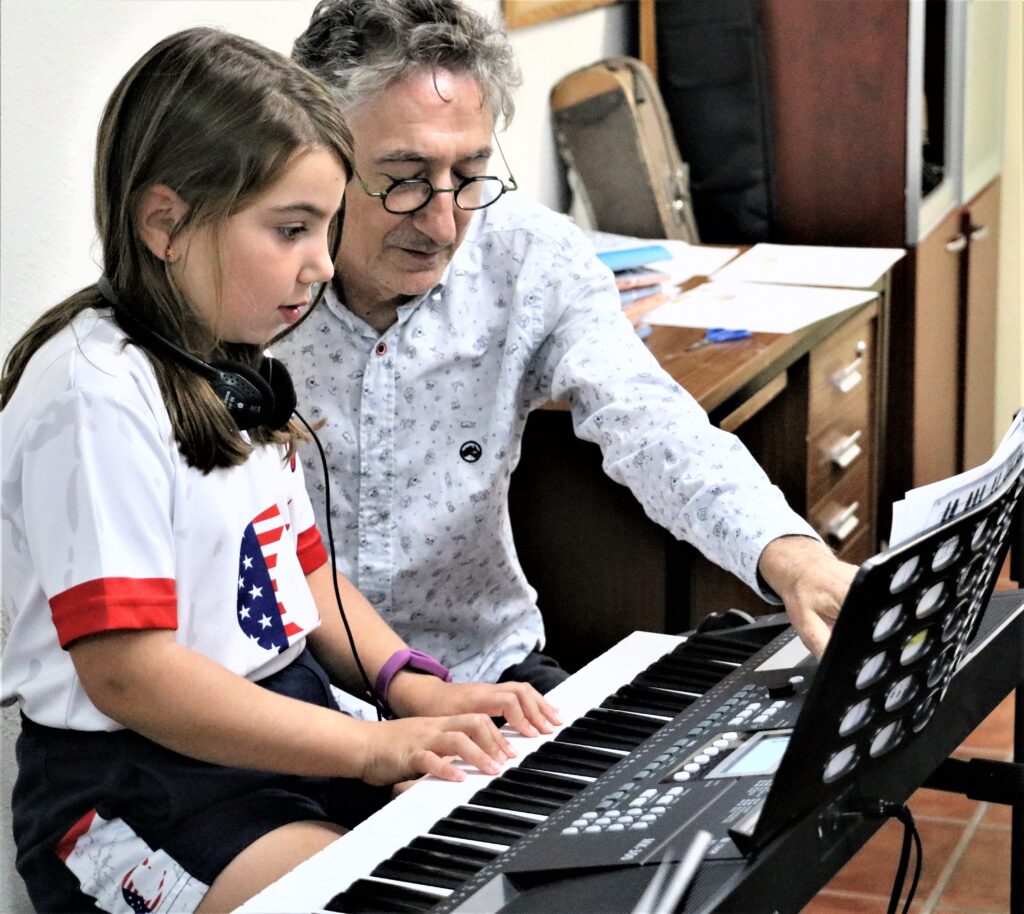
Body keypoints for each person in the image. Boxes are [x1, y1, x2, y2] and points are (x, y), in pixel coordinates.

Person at [0, 27, 559, 914]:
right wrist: (372, 749)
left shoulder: (235, 368)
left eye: (326, 229)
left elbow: (304, 569)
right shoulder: (92, 394)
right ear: (165, 223)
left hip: (284, 723)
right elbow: (130, 675)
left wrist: (412, 688)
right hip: (136, 784)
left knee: (520, 846)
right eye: (292, 230)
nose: (323, 264)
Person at [276, 0, 859, 702]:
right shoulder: (246, 279)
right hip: (292, 689)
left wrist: (789, 556)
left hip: (484, 673)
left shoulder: (530, 257)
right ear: (318, 156)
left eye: (469, 174)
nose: (443, 223)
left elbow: (650, 422)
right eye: (405, 178)